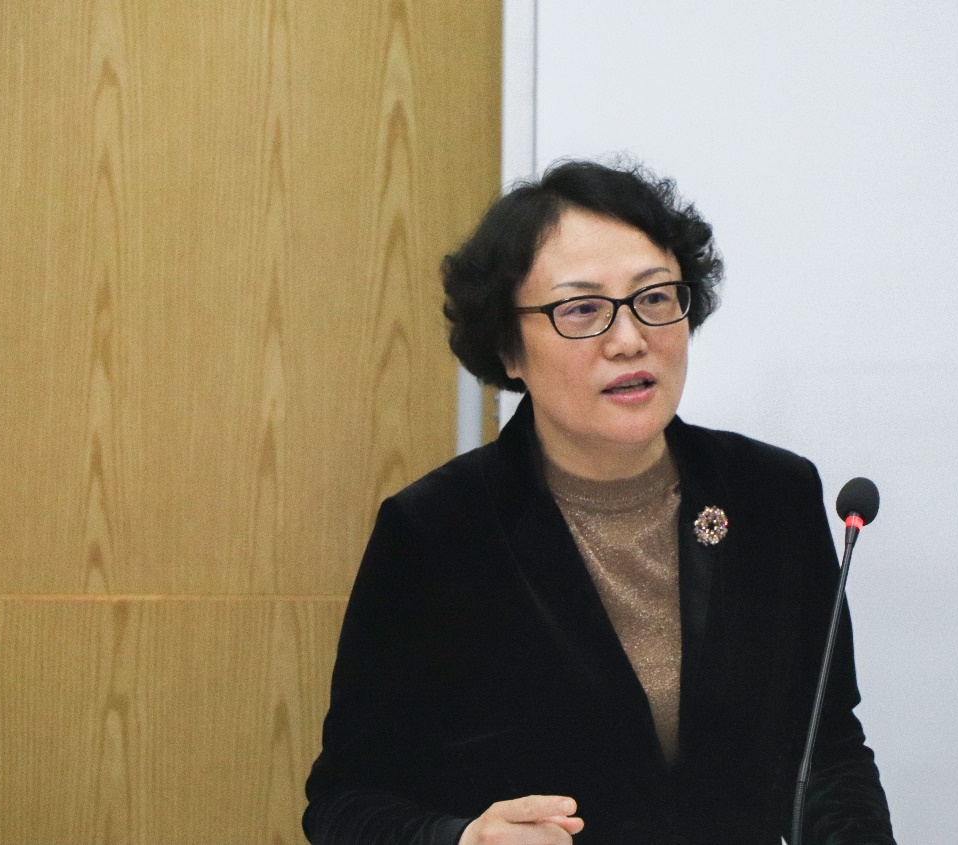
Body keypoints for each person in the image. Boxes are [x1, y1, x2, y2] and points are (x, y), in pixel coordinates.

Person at [304, 160, 896, 845]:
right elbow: (345, 800)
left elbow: (827, 751)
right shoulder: (437, 531)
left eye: (655, 298)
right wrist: (460, 838)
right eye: (582, 309)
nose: (630, 339)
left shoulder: (773, 496)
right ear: (508, 348)